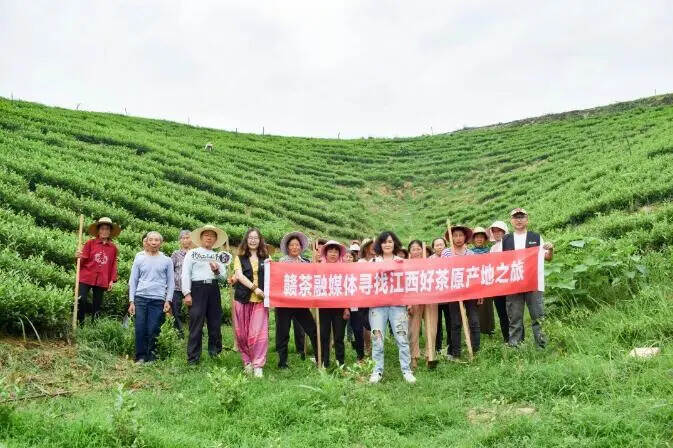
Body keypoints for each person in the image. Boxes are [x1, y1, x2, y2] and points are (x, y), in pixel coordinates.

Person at [501, 208, 554, 348]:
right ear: (511, 221)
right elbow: (496, 260)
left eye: (522, 217)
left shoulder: (536, 237)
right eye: (515, 217)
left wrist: (551, 249)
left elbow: (547, 258)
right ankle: (515, 346)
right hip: (513, 284)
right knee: (515, 317)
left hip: (533, 282)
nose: (519, 220)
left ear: (527, 219)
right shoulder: (505, 240)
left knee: (538, 315)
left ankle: (542, 346)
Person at [369, 231, 416, 384]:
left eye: (390, 241)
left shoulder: (401, 262)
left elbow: (407, 283)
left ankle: (406, 370)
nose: (387, 244)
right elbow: (366, 282)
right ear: (379, 245)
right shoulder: (373, 262)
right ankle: (377, 371)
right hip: (377, 306)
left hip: (398, 306)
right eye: (384, 242)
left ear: (394, 243)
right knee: (377, 338)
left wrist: (409, 301)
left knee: (402, 338)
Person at [182, 224, 231, 365]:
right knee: (196, 322)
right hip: (197, 288)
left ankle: (215, 352)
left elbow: (223, 278)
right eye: (206, 235)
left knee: (215, 321)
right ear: (201, 237)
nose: (209, 238)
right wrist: (187, 293)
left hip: (213, 289)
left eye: (212, 236)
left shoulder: (218, 256)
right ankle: (193, 357)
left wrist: (216, 271)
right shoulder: (192, 253)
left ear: (215, 239)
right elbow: (185, 274)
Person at [128, 231, 173, 363]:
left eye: (156, 240)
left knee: (153, 328)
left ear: (161, 243)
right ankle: (140, 356)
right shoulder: (139, 257)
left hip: (157, 299)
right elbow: (133, 280)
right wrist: (132, 301)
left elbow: (170, 282)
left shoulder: (167, 260)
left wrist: (168, 300)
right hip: (140, 297)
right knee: (140, 327)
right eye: (151, 240)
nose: (153, 242)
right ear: (146, 241)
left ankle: (151, 355)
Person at [275, 231, 319, 369]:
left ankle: (320, 358)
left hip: (300, 304)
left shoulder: (306, 262)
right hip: (284, 304)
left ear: (301, 247)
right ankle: (282, 362)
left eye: (297, 245)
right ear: (288, 248)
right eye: (292, 245)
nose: (294, 247)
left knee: (312, 329)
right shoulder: (281, 262)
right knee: (283, 333)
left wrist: (316, 264)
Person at [234, 228, 270, 377]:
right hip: (243, 298)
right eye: (250, 238)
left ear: (260, 240)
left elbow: (271, 275)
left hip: (260, 301)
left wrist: (271, 265)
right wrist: (255, 288)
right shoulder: (239, 257)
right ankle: (247, 361)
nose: (253, 240)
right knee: (242, 334)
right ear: (246, 240)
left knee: (259, 333)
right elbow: (239, 276)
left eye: (256, 238)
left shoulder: (266, 258)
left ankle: (258, 364)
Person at [441, 225, 480, 360]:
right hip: (454, 292)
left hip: (470, 291)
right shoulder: (446, 253)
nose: (458, 238)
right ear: (451, 238)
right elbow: (443, 272)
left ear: (465, 237)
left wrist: (479, 293)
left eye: (460, 235)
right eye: (455, 235)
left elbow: (475, 274)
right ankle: (455, 353)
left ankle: (476, 350)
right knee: (455, 322)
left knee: (474, 321)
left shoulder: (471, 254)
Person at [75, 217, 120, 324]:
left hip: (102, 278)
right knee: (81, 299)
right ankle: (80, 322)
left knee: (97, 303)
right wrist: (78, 257)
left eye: (107, 229)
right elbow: (83, 259)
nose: (105, 231)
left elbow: (113, 264)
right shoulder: (90, 243)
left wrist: (111, 280)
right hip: (86, 275)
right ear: (98, 230)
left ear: (110, 232)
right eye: (102, 229)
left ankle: (95, 324)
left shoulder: (113, 248)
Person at [318, 241, 351, 368]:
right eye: (330, 251)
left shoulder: (344, 268)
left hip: (340, 307)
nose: (333, 254)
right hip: (324, 307)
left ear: (339, 254)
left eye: (336, 251)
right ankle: (325, 362)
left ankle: (340, 363)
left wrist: (347, 308)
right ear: (326, 253)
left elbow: (348, 288)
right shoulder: (319, 267)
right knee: (324, 335)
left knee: (339, 336)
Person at [407, 240, 438, 370]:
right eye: (413, 249)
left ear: (423, 250)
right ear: (410, 252)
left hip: (430, 299)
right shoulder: (406, 265)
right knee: (413, 329)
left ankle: (430, 357)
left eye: (418, 248)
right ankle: (413, 357)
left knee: (431, 328)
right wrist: (408, 302)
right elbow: (405, 285)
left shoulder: (430, 263)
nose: (416, 251)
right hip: (413, 299)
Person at [488, 220, 511, 342]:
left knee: (512, 312)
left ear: (504, 231)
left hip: (510, 283)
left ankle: (517, 338)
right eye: (494, 231)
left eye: (499, 231)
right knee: (501, 312)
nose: (497, 233)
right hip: (497, 285)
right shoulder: (492, 248)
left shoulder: (511, 243)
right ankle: (507, 339)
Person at [471, 227, 495, 336]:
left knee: (488, 305)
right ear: (473, 239)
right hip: (474, 282)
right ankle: (477, 329)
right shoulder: (470, 253)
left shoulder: (489, 251)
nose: (479, 239)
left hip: (487, 281)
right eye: (477, 237)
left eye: (481, 237)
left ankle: (489, 329)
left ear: (484, 239)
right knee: (475, 306)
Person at [169, 230, 193, 337]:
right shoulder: (175, 254)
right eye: (183, 238)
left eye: (188, 237)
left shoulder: (195, 254)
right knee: (176, 311)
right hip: (177, 287)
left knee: (194, 311)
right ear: (180, 240)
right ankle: (179, 332)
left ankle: (196, 331)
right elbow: (170, 270)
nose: (185, 240)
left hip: (192, 288)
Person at [431, 237, 451, 357]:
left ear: (445, 245)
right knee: (436, 323)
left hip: (448, 296)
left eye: (441, 244)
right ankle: (437, 347)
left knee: (450, 322)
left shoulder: (450, 257)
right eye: (437, 245)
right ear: (433, 247)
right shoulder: (429, 260)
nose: (439, 247)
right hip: (435, 297)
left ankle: (450, 346)